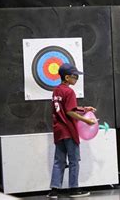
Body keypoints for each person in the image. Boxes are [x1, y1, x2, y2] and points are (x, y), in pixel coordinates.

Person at [47, 63, 96, 198]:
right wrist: (87, 121)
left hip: (59, 131)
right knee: (74, 161)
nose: (76, 79)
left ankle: (54, 190)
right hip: (69, 130)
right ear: (67, 77)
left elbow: (66, 108)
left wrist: (85, 109)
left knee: (59, 161)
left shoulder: (57, 90)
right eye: (75, 77)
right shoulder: (69, 91)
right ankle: (74, 189)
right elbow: (69, 112)